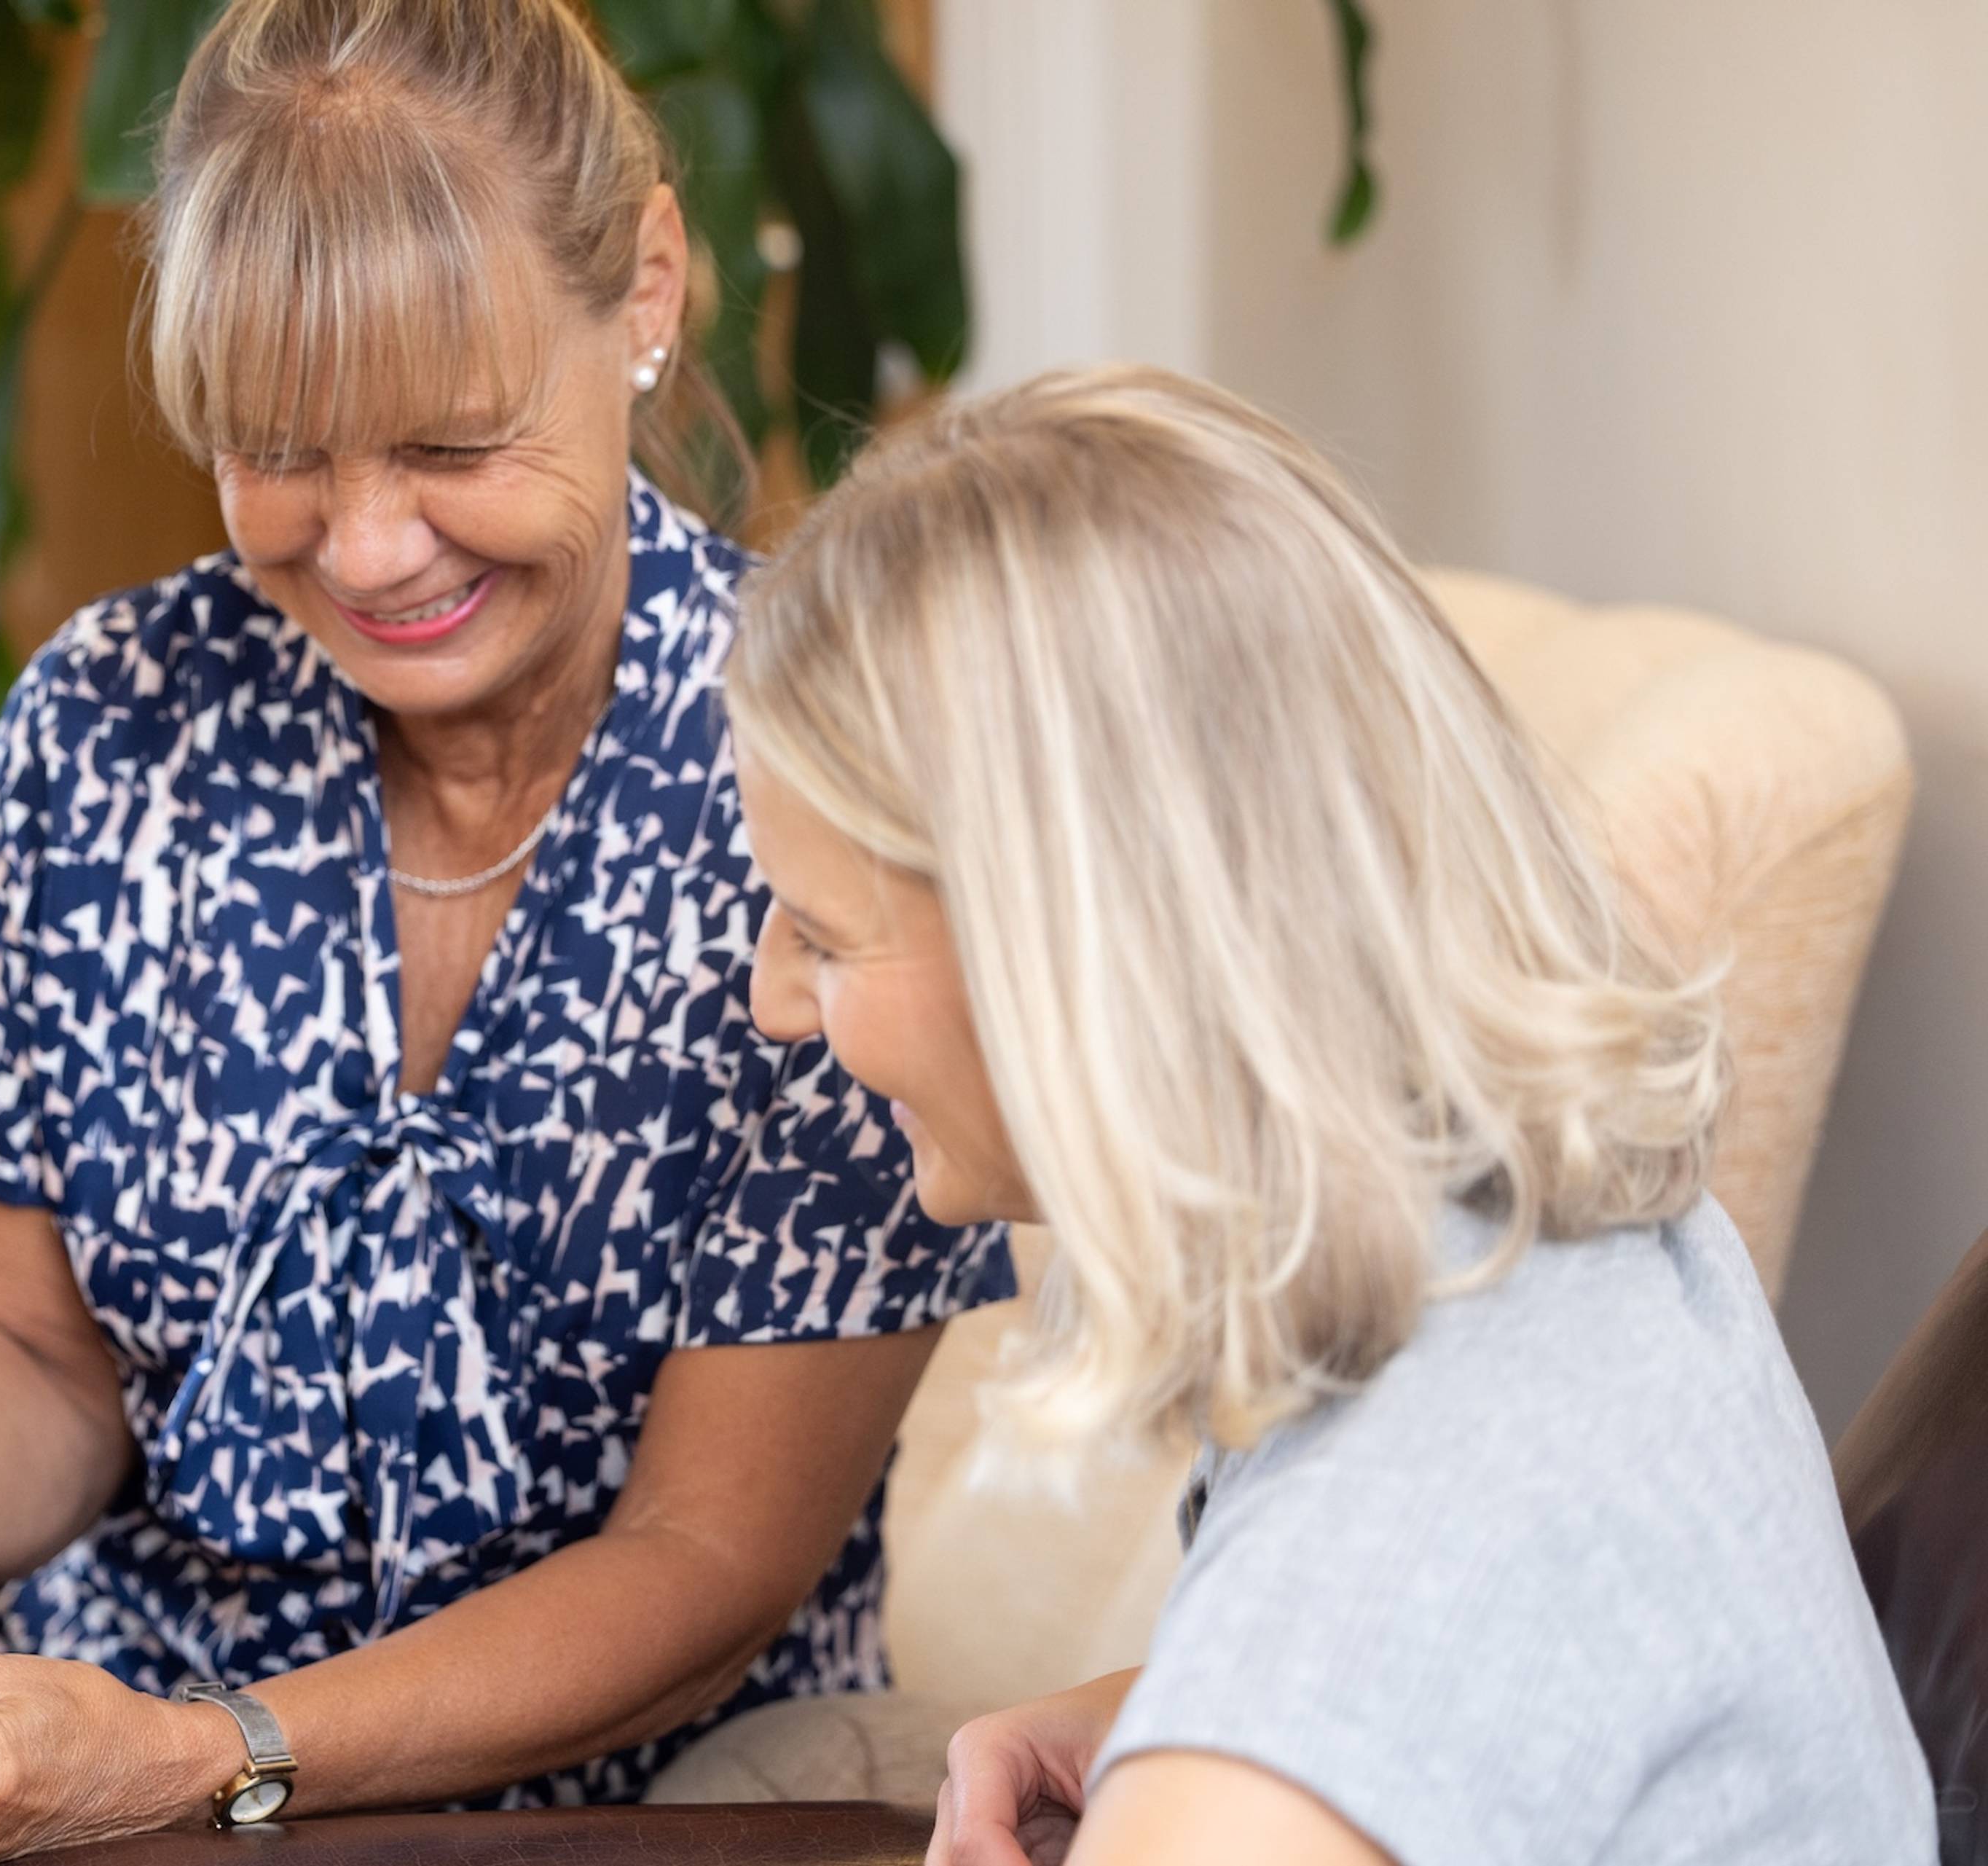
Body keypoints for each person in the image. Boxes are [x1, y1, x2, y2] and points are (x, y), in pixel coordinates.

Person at [0, 4, 1010, 1860]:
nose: (370, 550)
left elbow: (708, 1563)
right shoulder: (106, 723)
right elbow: (28, 1343)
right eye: (281, 451)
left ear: (643, 292)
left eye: (454, 440)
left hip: (557, 1802)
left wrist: (192, 1757)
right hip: (27, 1727)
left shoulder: (834, 783)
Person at [725, 366, 1935, 1865]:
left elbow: (1382, 1635)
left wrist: (1226, 1753)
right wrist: (1176, 1703)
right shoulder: (1543, 1241)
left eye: (826, 936)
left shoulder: (1356, 1614)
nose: (779, 1002)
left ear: (1074, 958)